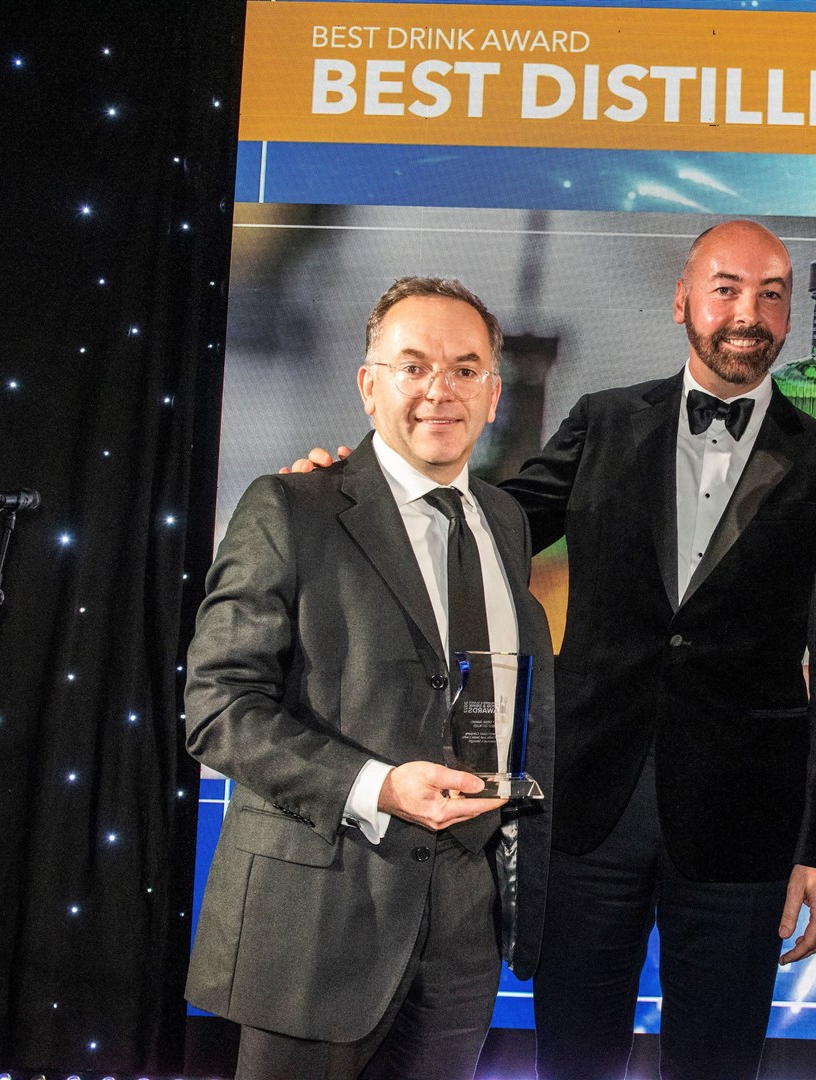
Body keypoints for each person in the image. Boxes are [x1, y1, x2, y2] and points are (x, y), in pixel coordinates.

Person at [292, 221, 816, 1079]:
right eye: (726, 288)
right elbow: (489, 526)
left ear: (788, 317)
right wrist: (362, 492)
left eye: (771, 293)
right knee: (572, 1059)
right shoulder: (604, 421)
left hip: (743, 824)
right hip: (588, 807)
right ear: (682, 301)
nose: (747, 312)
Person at [185, 277, 554, 1080]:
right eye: (413, 365)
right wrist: (380, 787)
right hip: (318, 922)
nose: (439, 391)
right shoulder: (289, 507)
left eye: (465, 369)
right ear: (368, 383)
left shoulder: (506, 521)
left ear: (494, 392)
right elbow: (217, 707)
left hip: (462, 933)